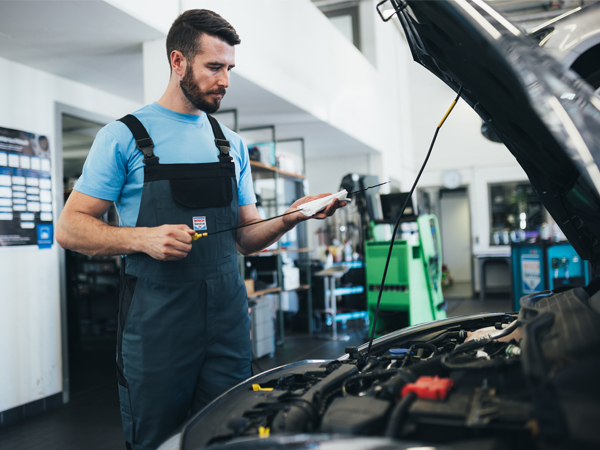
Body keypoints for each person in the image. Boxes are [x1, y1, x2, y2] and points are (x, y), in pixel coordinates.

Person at [56, 9, 343, 450]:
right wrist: (142, 238)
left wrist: (292, 217)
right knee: (156, 439)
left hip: (228, 319)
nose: (224, 79)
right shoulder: (124, 136)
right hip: (157, 323)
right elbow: (70, 229)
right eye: (214, 67)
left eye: (229, 68)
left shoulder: (231, 145)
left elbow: (246, 238)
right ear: (177, 62)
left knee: (231, 431)